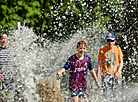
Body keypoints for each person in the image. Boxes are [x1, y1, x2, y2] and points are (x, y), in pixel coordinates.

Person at [97, 33, 123, 101]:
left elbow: (121, 62)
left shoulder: (117, 48)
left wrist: (118, 72)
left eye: (111, 41)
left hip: (117, 75)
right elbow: (99, 64)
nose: (110, 43)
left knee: (116, 97)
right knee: (106, 97)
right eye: (108, 40)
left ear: (114, 41)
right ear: (105, 41)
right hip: (106, 76)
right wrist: (97, 77)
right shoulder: (102, 50)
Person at [0, 32, 25, 101]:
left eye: (6, 38)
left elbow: (19, 61)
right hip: (0, 77)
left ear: (8, 40)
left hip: (9, 77)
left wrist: (21, 70)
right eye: (2, 39)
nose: (4, 40)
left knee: (8, 97)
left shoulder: (12, 51)